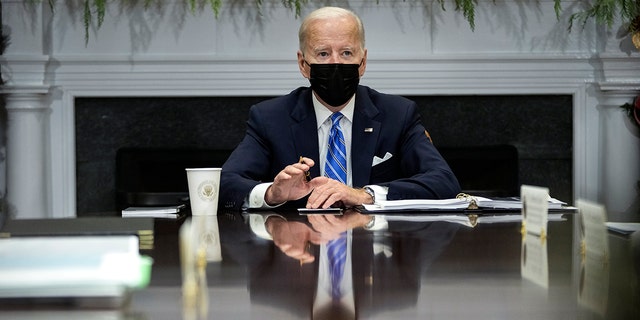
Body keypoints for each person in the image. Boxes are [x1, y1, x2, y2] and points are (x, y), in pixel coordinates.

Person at [219, 6, 460, 212]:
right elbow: (223, 184)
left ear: (362, 62)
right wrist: (272, 193)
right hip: (299, 253)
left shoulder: (398, 115)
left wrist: (365, 195)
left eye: (346, 53)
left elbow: (444, 182)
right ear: (304, 64)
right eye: (323, 54)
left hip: (375, 254)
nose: (335, 63)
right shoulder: (270, 118)